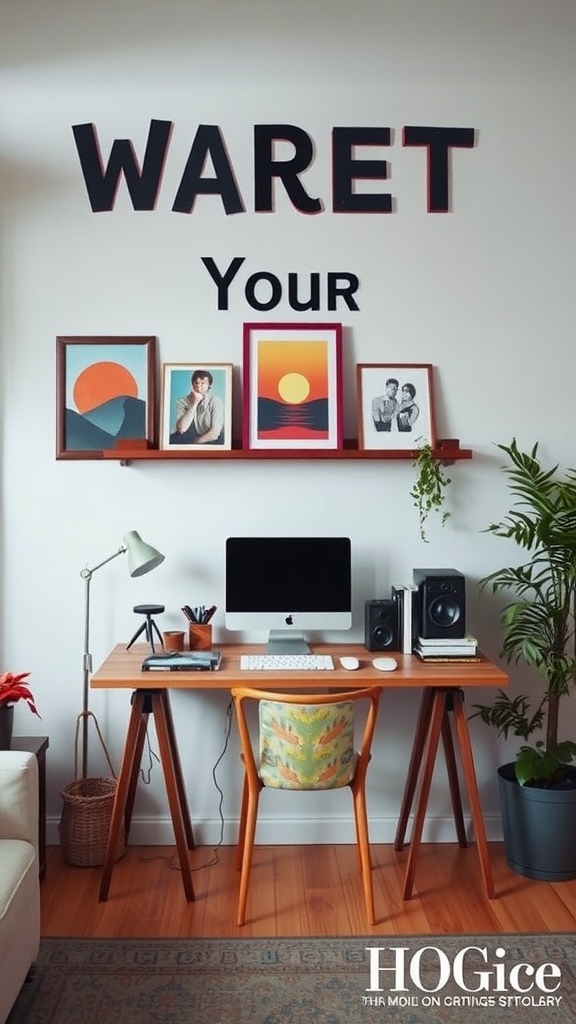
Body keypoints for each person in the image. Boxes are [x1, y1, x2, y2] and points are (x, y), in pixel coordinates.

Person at [169, 369, 224, 445]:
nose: (198, 386)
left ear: (209, 386)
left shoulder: (216, 401)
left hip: (210, 438)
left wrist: (194, 444)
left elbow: (215, 432)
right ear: (193, 384)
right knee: (171, 439)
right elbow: (181, 428)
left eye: (203, 383)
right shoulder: (182, 401)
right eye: (196, 383)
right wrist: (194, 403)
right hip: (189, 436)